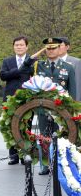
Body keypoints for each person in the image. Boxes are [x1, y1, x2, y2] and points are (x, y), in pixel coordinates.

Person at [21, 37, 76, 175]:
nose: (51, 51)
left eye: (54, 48)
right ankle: (45, 165)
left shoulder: (68, 67)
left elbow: (72, 91)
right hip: (43, 109)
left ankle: (61, 165)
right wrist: (35, 55)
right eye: (48, 48)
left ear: (60, 49)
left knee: (62, 137)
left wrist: (71, 110)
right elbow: (23, 69)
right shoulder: (37, 65)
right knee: (44, 137)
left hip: (61, 110)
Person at [0, 36, 33, 165]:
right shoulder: (7, 61)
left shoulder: (33, 61)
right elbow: (3, 76)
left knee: (26, 126)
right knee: (11, 125)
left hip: (27, 99)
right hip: (10, 99)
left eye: (21, 45)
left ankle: (26, 154)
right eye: (16, 45)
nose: (19, 47)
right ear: (13, 47)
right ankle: (13, 155)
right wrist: (18, 71)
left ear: (26, 47)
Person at [56, 37, 81, 101]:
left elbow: (77, 84)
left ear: (67, 47)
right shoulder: (51, 62)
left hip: (69, 100)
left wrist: (76, 103)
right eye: (56, 46)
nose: (57, 47)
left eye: (60, 45)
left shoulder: (76, 62)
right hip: (53, 100)